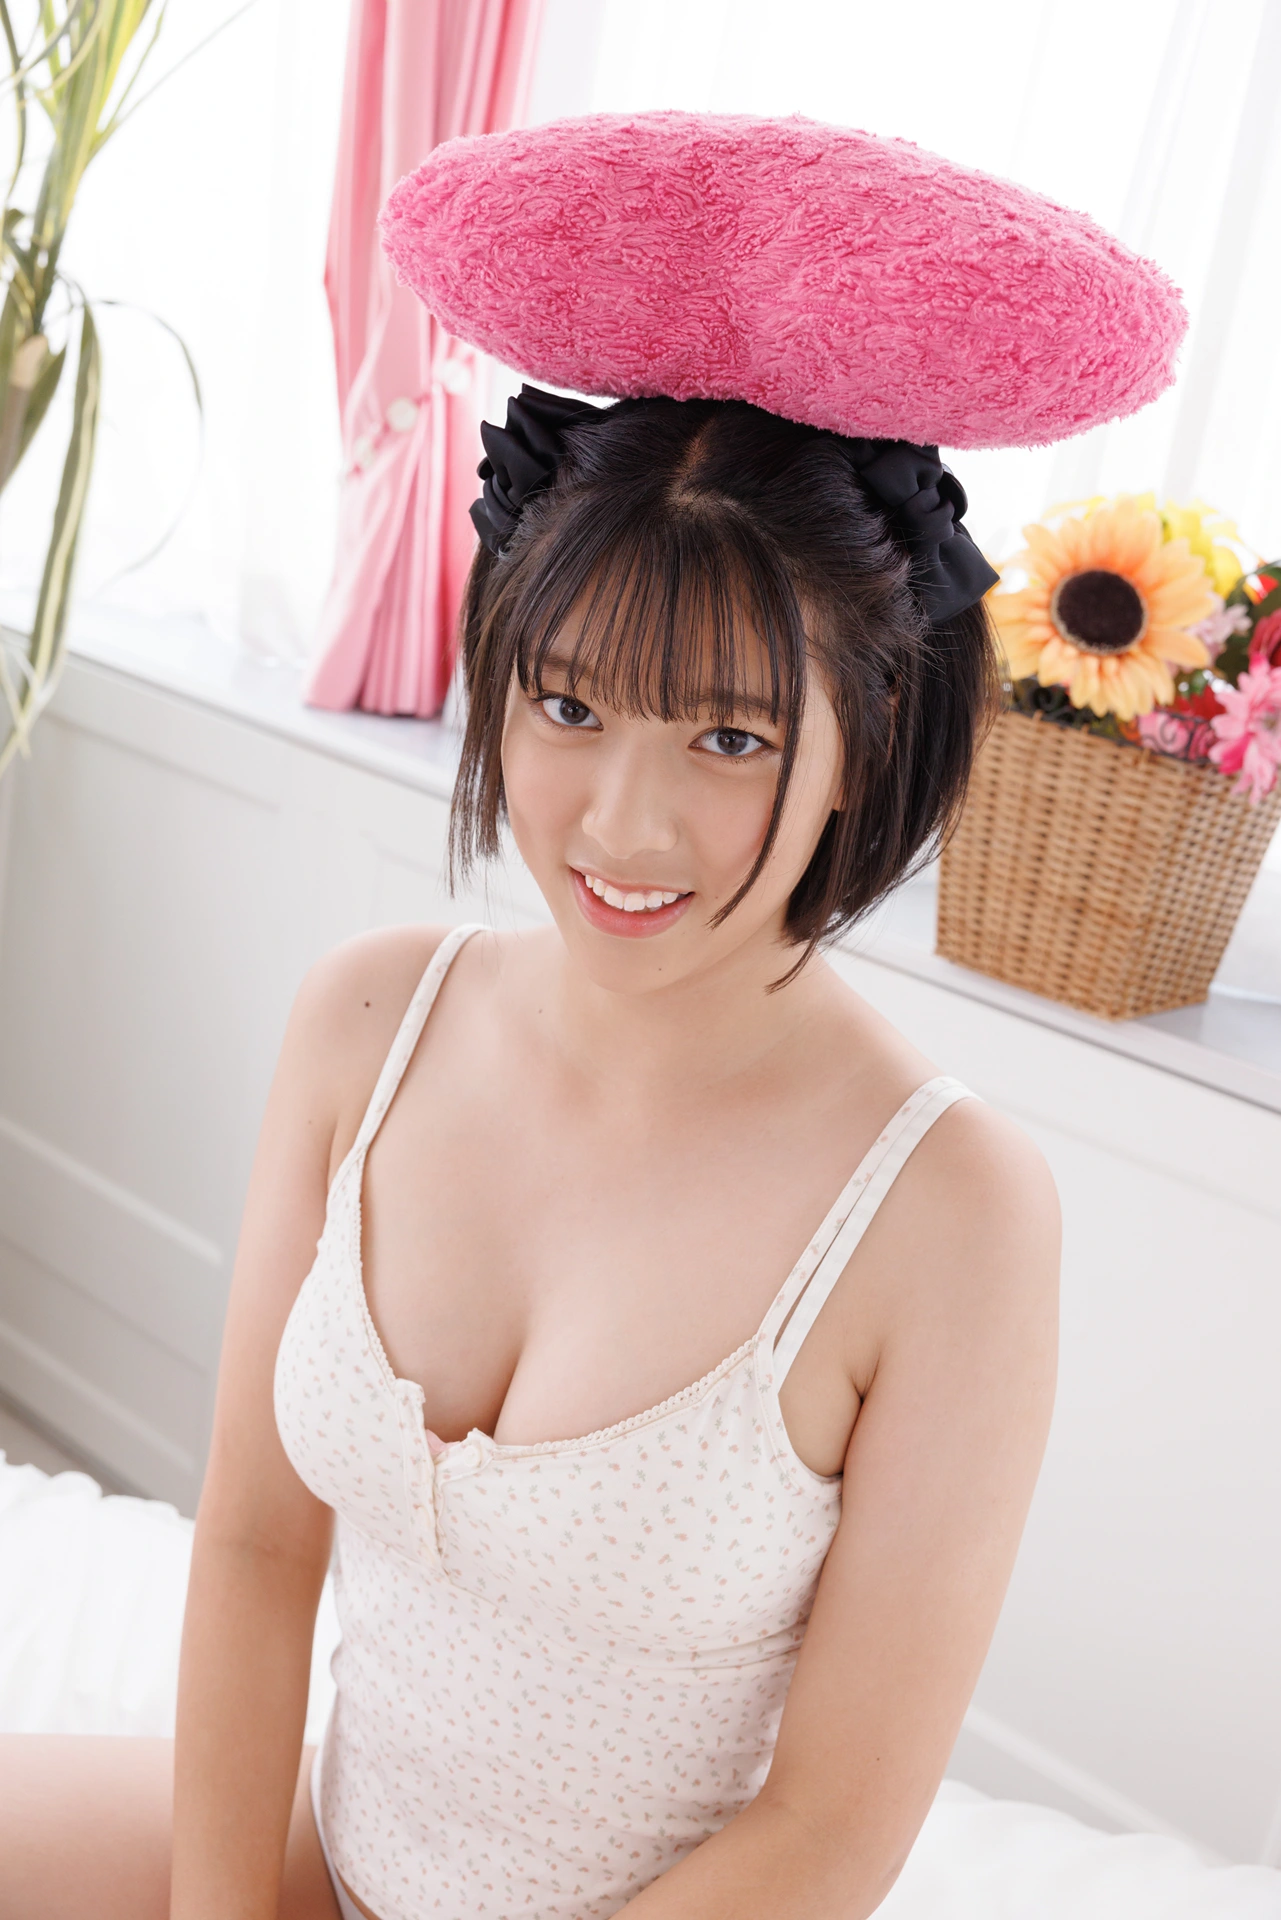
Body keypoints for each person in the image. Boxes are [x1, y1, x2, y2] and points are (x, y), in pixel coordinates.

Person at [3, 101, 1188, 1920]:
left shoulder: (948, 1213)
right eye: (568, 708)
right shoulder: (368, 1022)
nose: (622, 829)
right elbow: (250, 1549)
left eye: (729, 737)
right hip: (327, 1858)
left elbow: (828, 1836)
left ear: (873, 732)